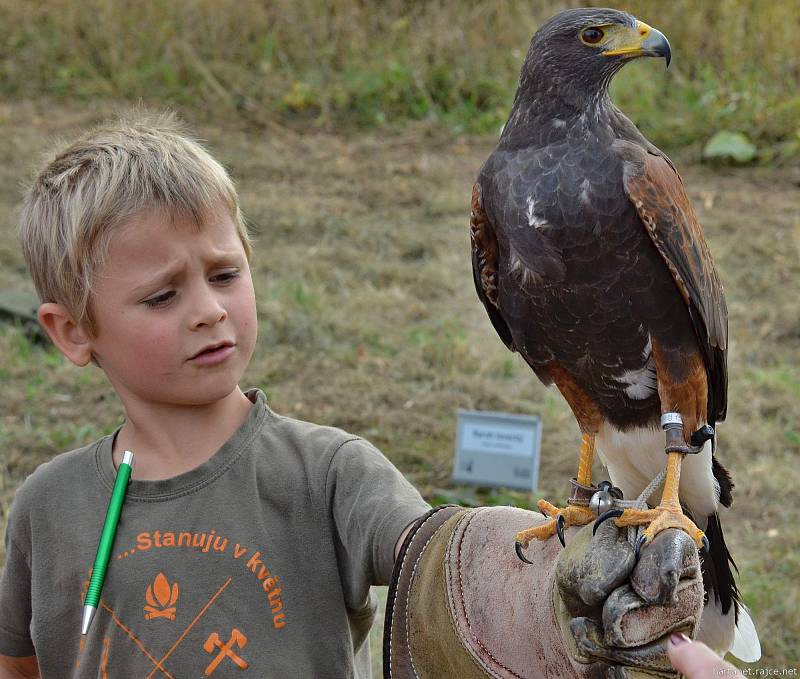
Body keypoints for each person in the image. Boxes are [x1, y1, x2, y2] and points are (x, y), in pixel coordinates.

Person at [0, 111, 431, 678]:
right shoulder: (48, 506)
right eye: (161, 297)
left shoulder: (329, 474)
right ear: (73, 332)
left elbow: (439, 564)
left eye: (225, 274)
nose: (209, 311)